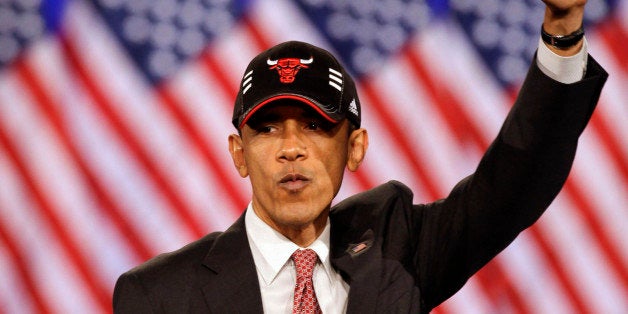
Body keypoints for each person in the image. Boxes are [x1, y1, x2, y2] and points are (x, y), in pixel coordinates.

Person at [113, 0, 608, 313]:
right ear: (238, 154)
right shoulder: (160, 297)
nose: (291, 148)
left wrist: (561, 29)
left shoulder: (396, 247)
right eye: (267, 130)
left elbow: (512, 186)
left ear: (355, 148)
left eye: (315, 126)